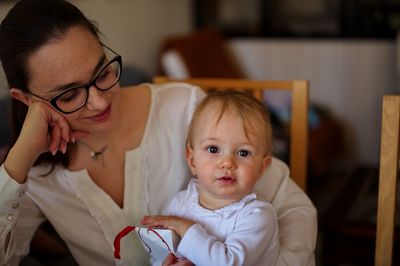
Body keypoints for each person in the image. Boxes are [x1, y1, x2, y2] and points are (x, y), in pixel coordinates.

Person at [0, 0, 317, 265]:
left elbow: (294, 210)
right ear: (26, 100)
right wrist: (20, 158)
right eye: (69, 95)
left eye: (103, 71)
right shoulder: (33, 170)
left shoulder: (186, 108)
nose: (99, 101)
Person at [141, 90, 279, 265]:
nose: (227, 163)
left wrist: (185, 228)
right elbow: (162, 251)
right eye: (213, 149)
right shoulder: (180, 204)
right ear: (192, 161)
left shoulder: (257, 216)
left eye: (243, 152)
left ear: (261, 168)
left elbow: (228, 262)